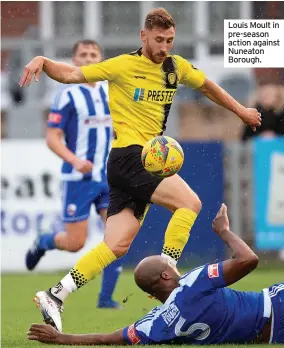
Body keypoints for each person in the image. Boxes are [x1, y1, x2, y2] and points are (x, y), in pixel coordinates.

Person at [20, 8, 262, 332]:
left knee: (117, 245)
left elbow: (208, 87)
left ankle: (56, 294)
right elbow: (72, 75)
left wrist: (241, 110)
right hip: (131, 156)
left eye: (170, 40)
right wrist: (44, 62)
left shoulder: (176, 68)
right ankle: (170, 275)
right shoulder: (122, 65)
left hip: (132, 164)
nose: (164, 47)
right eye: (159, 39)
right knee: (189, 203)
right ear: (143, 35)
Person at [27, 203, 284, 345]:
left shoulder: (158, 323)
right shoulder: (193, 283)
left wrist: (62, 339)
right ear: (165, 277)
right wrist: (224, 231)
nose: (175, 265)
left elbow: (109, 338)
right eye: (169, 265)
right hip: (276, 306)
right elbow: (249, 259)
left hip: (269, 335)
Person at [25, 40, 123, 309]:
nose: (89, 58)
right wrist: (76, 160)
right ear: (75, 60)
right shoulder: (67, 94)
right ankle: (44, 241)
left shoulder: (110, 90)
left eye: (94, 54)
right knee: (75, 243)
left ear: (101, 59)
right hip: (77, 179)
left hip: (108, 178)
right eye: (84, 54)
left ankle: (106, 299)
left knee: (117, 238)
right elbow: (52, 137)